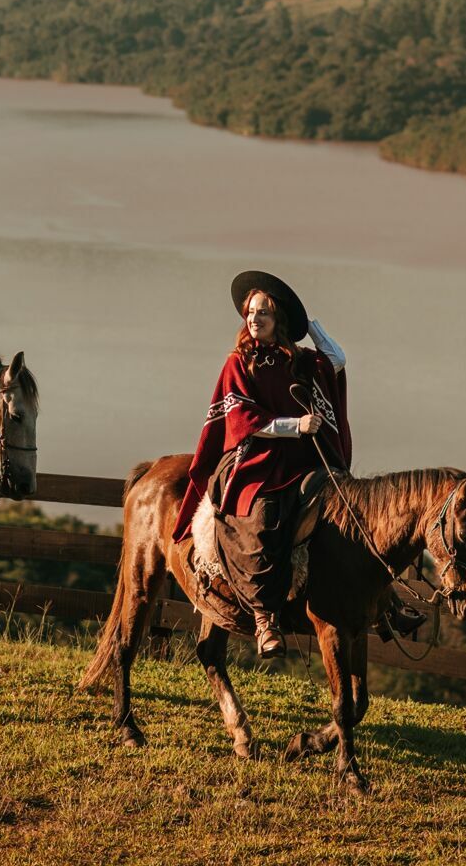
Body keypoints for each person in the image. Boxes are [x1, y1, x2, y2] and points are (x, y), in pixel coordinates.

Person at [172, 269, 350, 659]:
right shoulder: (239, 362)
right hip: (256, 460)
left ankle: (379, 605)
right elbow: (242, 420)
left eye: (264, 313)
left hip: (302, 458)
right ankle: (264, 617)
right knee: (263, 517)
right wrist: (296, 424)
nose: (254, 320)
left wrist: (309, 324)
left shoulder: (298, 359)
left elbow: (336, 360)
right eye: (251, 313)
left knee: (348, 505)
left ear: (278, 321)